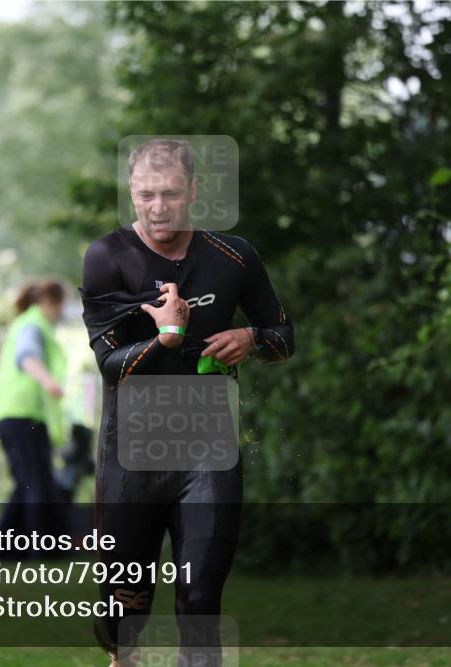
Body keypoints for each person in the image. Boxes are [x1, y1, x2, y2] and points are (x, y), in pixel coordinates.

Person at [80, 139, 294, 666]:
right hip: (130, 454)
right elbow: (107, 361)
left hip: (208, 453)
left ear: (194, 191)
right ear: (131, 191)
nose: (157, 207)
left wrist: (251, 340)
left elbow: (284, 335)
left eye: (171, 194)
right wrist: (165, 340)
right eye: (146, 194)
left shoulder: (233, 256)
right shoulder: (107, 257)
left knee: (200, 600)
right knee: (122, 616)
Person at [0, 278, 68, 560]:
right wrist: (50, 383)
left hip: (16, 416)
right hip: (22, 415)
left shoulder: (30, 323)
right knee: (37, 484)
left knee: (26, 484)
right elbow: (27, 356)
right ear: (50, 303)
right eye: (62, 306)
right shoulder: (33, 324)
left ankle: (3, 552)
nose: (63, 313)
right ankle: (44, 553)